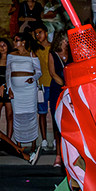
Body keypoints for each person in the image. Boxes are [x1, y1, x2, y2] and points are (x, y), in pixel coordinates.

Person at [7, 33, 42, 163]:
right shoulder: (11, 55)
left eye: (17, 40)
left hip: (29, 89)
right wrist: (9, 88)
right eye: (15, 40)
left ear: (23, 42)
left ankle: (33, 145)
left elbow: (39, 71)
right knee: (18, 115)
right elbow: (8, 73)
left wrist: (33, 78)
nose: (16, 42)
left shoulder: (32, 55)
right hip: (16, 90)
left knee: (31, 115)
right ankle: (19, 145)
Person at [48, 30, 69, 169]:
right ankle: (58, 155)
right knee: (57, 123)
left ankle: (70, 156)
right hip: (57, 87)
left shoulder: (72, 53)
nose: (67, 42)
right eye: (66, 39)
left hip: (70, 87)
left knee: (70, 122)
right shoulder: (52, 54)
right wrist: (62, 83)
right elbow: (52, 72)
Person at [33, 25, 53, 152]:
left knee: (56, 112)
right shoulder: (35, 49)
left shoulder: (53, 47)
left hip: (54, 83)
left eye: (39, 32)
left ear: (46, 33)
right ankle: (44, 139)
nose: (37, 35)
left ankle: (57, 139)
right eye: (35, 33)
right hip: (41, 85)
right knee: (42, 113)